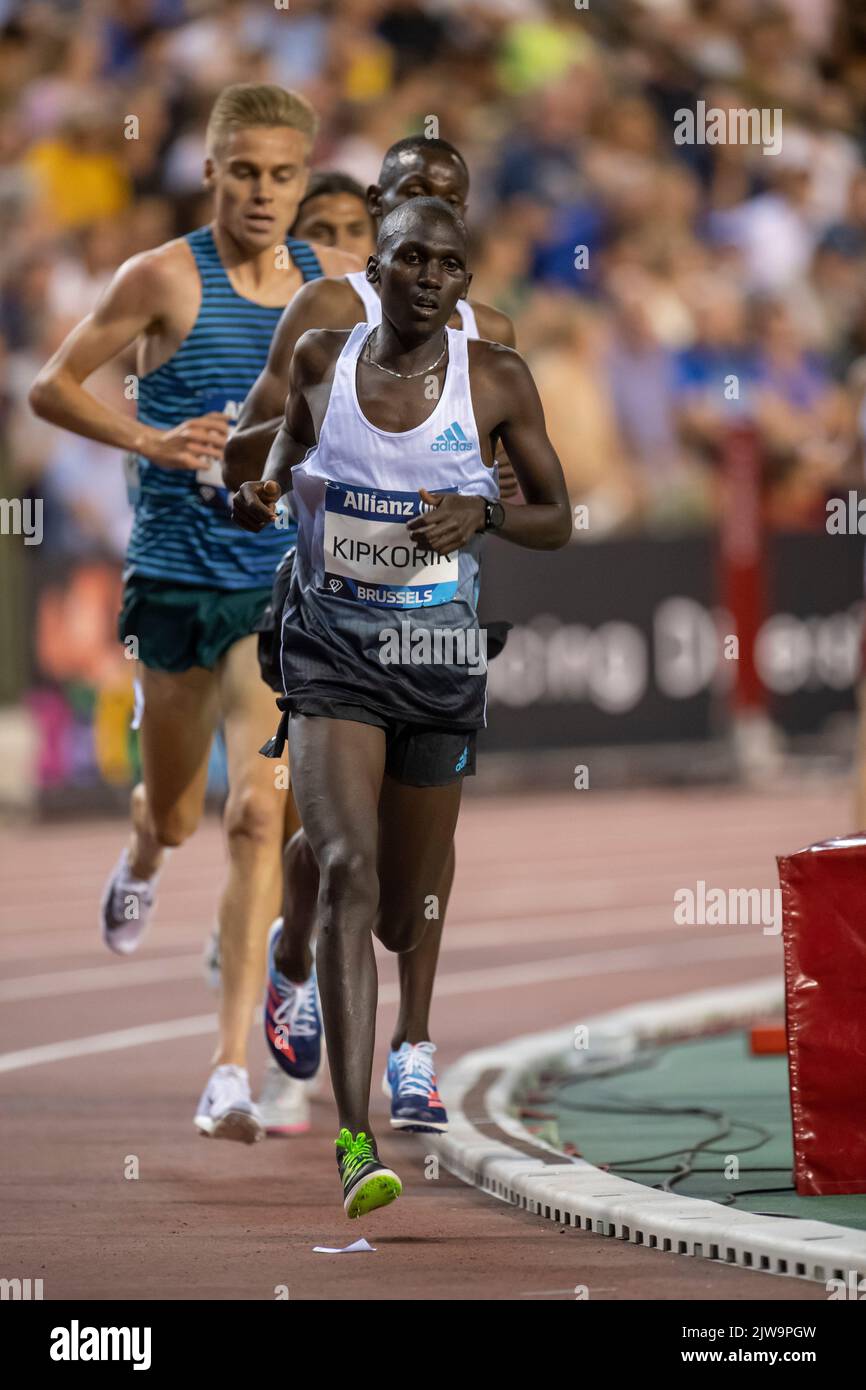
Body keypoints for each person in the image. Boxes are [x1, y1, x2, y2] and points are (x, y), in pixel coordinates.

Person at [29, 83, 358, 1144]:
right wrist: (151, 442)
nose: (262, 193)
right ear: (211, 171)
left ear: (303, 180)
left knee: (261, 812)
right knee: (173, 813)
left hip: (275, 589)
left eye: (281, 175)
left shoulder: (329, 287)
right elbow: (51, 386)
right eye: (243, 172)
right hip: (173, 582)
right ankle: (139, 856)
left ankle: (226, 1067)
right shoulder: (161, 277)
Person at [232, 196, 571, 1216]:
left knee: (397, 903)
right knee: (346, 863)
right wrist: (260, 485)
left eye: (446, 265)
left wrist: (488, 513)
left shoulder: (497, 378)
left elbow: (559, 516)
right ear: (373, 272)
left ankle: (289, 949)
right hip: (333, 649)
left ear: (464, 284)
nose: (426, 276)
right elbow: (278, 452)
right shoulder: (322, 359)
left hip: (437, 652)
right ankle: (352, 1138)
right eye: (407, 259)